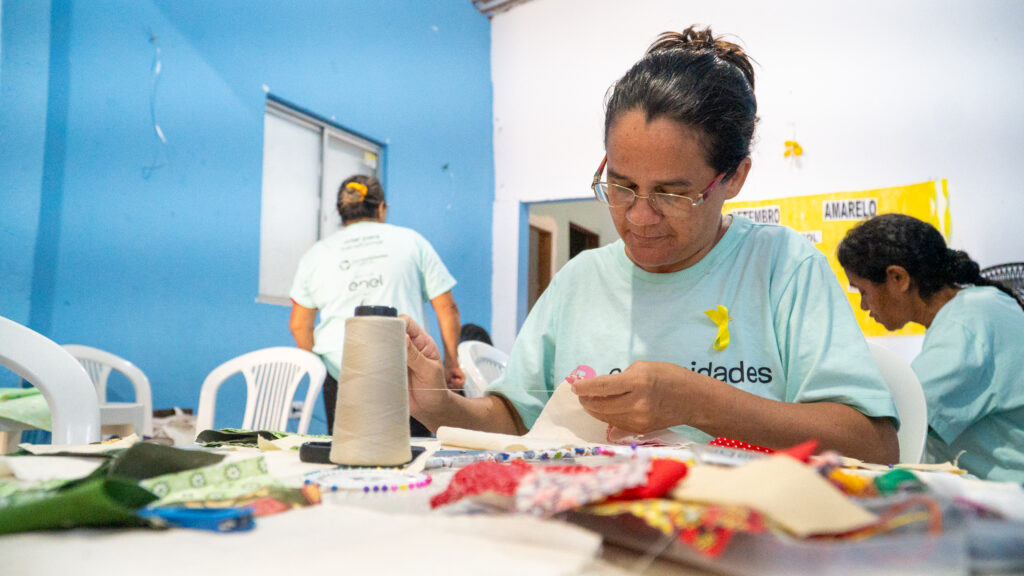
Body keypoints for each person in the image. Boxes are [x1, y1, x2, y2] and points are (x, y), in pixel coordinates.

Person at [403, 26, 899, 464]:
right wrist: (440, 404)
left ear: (735, 178)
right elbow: (516, 422)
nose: (639, 217)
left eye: (672, 194)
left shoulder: (781, 268)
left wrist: (701, 403)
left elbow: (874, 446)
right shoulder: (581, 280)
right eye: (620, 187)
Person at [838, 213, 1024, 481]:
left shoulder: (966, 325)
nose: (864, 307)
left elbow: (891, 423)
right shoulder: (985, 304)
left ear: (897, 278)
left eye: (863, 292)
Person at [289, 175, 464, 436]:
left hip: (342, 370)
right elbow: (447, 308)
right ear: (381, 208)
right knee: (414, 454)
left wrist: (321, 370)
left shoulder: (315, 254)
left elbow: (299, 326)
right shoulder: (411, 241)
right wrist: (451, 365)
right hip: (406, 369)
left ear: (341, 212)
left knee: (349, 454)